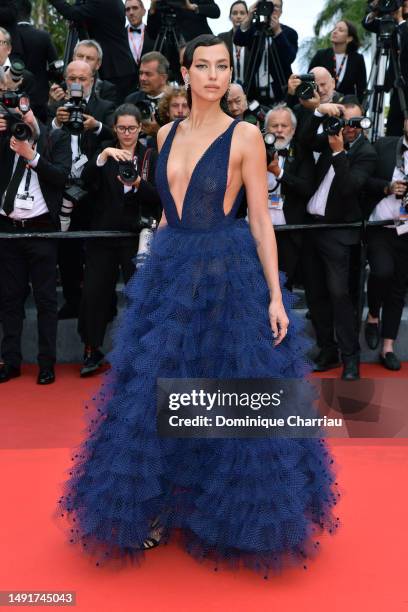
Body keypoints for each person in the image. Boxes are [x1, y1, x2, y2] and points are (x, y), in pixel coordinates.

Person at [57, 34, 339, 576]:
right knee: (158, 389)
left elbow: (259, 219)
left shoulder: (247, 136)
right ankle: (161, 503)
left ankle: (228, 510)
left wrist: (277, 296)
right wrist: (150, 266)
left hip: (227, 272)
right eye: (203, 65)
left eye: (223, 66)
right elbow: (167, 212)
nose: (213, 75)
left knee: (227, 385)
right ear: (184, 72)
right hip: (170, 270)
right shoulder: (164, 133)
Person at [78, 104, 162, 377]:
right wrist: (102, 156)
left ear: (141, 128)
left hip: (137, 237)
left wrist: (138, 183)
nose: (127, 133)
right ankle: (91, 349)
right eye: (122, 128)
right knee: (93, 293)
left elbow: (160, 197)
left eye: (132, 128)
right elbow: (85, 180)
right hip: (103, 234)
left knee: (140, 294)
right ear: (115, 128)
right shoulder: (105, 151)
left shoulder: (150, 155)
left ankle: (141, 352)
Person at [300, 96, 378, 380]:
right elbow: (305, 141)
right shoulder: (332, 135)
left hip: (339, 234)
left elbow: (348, 188)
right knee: (316, 295)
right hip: (311, 230)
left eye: (357, 123)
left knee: (339, 296)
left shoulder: (365, 152)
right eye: (347, 122)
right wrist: (320, 111)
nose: (351, 128)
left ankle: (351, 358)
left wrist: (338, 153)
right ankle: (327, 349)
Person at [0, 95, 71, 385]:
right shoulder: (6, 142)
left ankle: (46, 364)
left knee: (45, 300)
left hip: (42, 231)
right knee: (9, 299)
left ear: (37, 119)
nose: (23, 125)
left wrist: (33, 155)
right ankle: (10, 361)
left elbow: (62, 177)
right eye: (18, 119)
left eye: (27, 119)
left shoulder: (57, 140)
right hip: (8, 230)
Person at [362, 118, 408, 371]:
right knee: (382, 272)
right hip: (381, 226)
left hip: (407, 231)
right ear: (404, 122)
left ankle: (388, 345)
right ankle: (372, 315)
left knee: (399, 287)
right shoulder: (384, 146)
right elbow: (364, 181)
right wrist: (387, 188)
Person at [263, 103, 315, 289]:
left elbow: (307, 188)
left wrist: (280, 173)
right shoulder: (254, 149)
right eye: (274, 126)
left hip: (289, 228)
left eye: (283, 126)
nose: (278, 130)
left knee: (284, 282)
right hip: (258, 228)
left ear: (292, 129)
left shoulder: (302, 152)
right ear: (266, 129)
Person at [47, 0, 137, 103]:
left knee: (113, 112)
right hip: (119, 67)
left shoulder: (101, 2)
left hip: (115, 70)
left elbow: (72, 13)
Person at [233, 0, 298, 105]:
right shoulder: (255, 29)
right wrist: (249, 17)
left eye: (276, 6)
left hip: (281, 93)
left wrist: (277, 32)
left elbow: (289, 58)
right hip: (253, 95)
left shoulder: (289, 33)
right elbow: (238, 40)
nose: (272, 9)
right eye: (269, 5)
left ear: (281, 11)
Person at [363, 0, 408, 136]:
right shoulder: (390, 25)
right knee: (394, 130)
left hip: (405, 87)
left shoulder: (402, 27)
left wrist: (400, 19)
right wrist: (376, 10)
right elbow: (368, 23)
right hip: (397, 87)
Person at [16, 0, 58, 123]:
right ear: (29, 13)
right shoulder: (43, 36)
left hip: (13, 98)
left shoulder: (7, 37)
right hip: (40, 99)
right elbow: (54, 66)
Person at [308, 20, 367, 102]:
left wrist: (360, 108)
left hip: (346, 106)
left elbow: (362, 88)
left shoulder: (357, 59)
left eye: (340, 30)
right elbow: (309, 79)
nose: (335, 32)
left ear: (349, 38)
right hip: (322, 102)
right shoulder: (321, 55)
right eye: (334, 29)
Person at [218, 1, 249, 84]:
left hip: (251, 90)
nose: (238, 16)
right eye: (235, 13)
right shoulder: (222, 38)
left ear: (248, 16)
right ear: (230, 17)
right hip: (228, 88)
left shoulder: (254, 39)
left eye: (242, 13)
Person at [125, 0, 155, 79]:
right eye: (127, 9)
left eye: (135, 8)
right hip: (126, 87)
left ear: (144, 12)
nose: (131, 12)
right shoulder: (119, 36)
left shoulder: (154, 34)